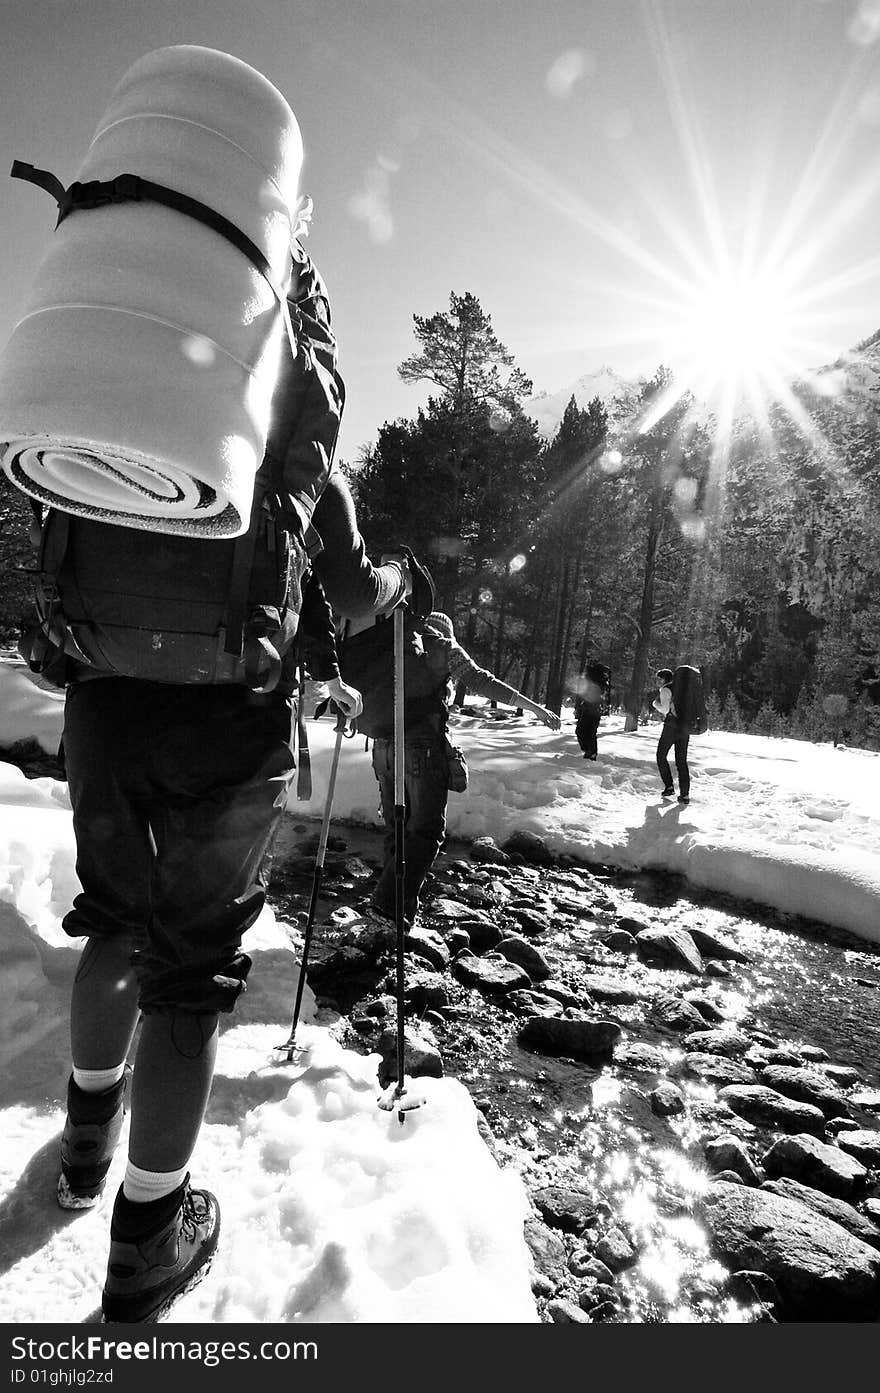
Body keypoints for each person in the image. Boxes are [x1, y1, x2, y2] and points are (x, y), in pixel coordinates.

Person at [50, 261, 414, 1321]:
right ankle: (147, 1236)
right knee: (191, 973)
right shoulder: (285, 442)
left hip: (106, 703)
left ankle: (83, 1147)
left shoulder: (121, 399)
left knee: (111, 920)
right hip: (228, 724)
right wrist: (393, 580)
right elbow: (348, 598)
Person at [361, 609, 560, 928]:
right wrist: (534, 707)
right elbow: (483, 681)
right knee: (426, 831)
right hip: (421, 749)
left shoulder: (394, 643)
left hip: (383, 748)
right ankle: (389, 905)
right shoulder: (443, 647)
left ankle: (395, 911)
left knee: (399, 828)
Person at [653, 666, 690, 804]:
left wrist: (655, 704)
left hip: (671, 727)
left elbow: (665, 709)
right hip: (685, 728)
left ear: (663, 679)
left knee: (661, 755)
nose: (657, 682)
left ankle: (669, 786)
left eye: (658, 679)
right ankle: (685, 795)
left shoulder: (666, 690)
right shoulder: (684, 690)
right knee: (681, 761)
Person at [573, 661, 610, 760]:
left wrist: (579, 707)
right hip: (595, 711)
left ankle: (589, 751)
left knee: (581, 731)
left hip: (588, 710)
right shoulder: (602, 683)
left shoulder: (592, 682)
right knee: (590, 733)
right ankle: (591, 751)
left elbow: (585, 695)